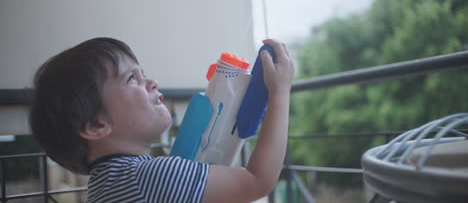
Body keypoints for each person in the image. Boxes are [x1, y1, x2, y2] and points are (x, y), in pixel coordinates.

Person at [30, 37, 295, 203]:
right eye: (131, 78)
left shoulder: (106, 186)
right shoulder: (148, 177)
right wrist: (280, 92)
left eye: (141, 72)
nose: (151, 81)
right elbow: (257, 180)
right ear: (96, 126)